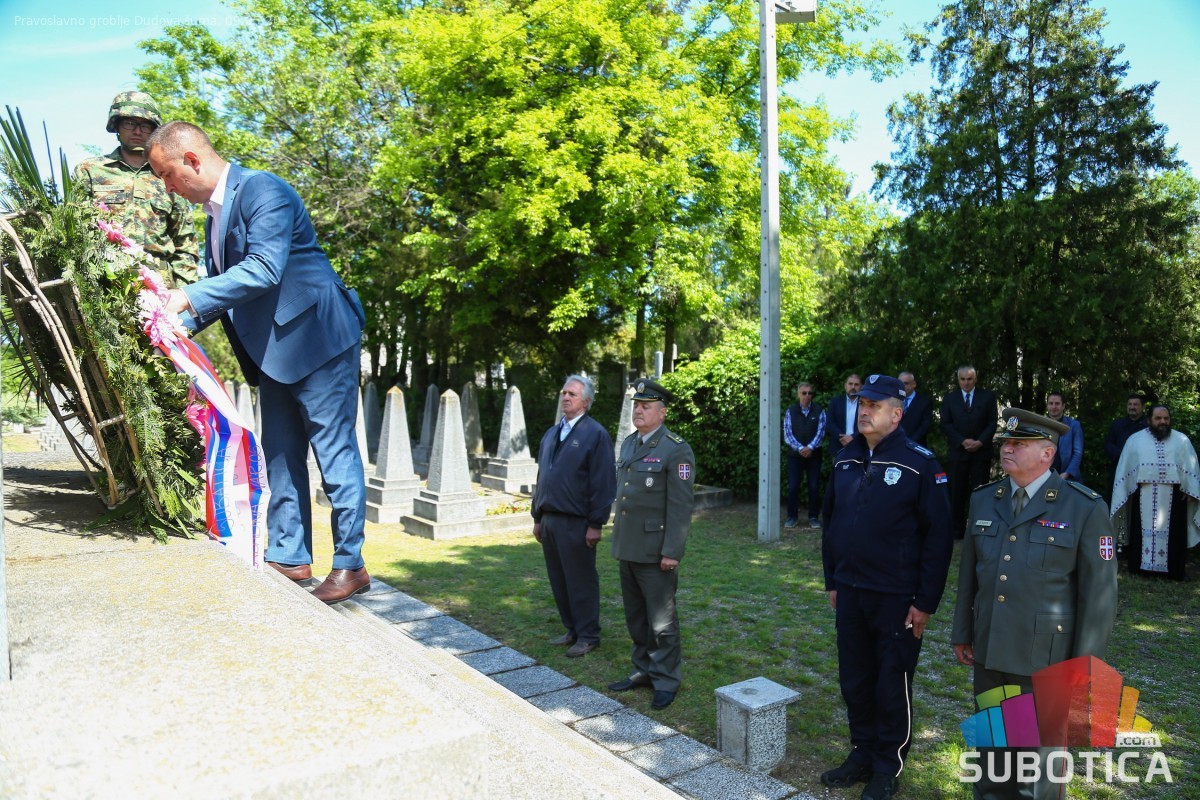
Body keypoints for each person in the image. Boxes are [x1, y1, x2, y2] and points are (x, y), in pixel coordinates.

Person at [146, 121, 369, 603]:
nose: (167, 188)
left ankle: (351, 564)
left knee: (334, 454)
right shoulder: (214, 216)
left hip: (319, 340)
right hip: (273, 352)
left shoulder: (262, 189)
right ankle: (289, 554)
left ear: (191, 160)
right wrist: (169, 328)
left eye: (166, 175)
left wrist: (186, 296)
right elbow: (226, 295)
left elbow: (264, 268)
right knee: (280, 453)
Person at [952, 408, 1118, 799]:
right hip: (991, 652)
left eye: (1018, 444)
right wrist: (963, 631)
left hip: (1046, 661)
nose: (1006, 449)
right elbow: (969, 576)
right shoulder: (985, 499)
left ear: (1047, 454)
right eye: (1005, 442)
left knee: (1035, 774)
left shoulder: (1083, 507)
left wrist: (1085, 665)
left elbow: (1099, 596)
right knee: (992, 762)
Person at [821, 374, 954, 800]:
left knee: (891, 684)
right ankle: (862, 752)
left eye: (874, 406)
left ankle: (887, 766)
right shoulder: (845, 459)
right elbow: (830, 521)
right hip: (850, 590)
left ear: (896, 414)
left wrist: (925, 601)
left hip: (897, 596)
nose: (864, 411)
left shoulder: (920, 463)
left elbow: (938, 538)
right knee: (855, 679)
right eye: (862, 403)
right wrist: (833, 579)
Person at [608, 379, 695, 711]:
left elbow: (680, 506)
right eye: (637, 405)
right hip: (629, 546)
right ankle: (643, 670)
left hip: (656, 550)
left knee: (661, 622)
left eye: (646, 406)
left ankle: (666, 679)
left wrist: (672, 550)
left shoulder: (675, 449)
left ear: (662, 413)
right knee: (637, 617)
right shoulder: (630, 443)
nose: (639, 411)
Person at [72, 92, 199, 288]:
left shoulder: (169, 174)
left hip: (159, 285)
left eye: (145, 125)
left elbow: (185, 242)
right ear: (116, 125)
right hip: (104, 281)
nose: (138, 131)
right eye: (129, 124)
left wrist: (185, 295)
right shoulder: (90, 170)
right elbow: (74, 228)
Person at [531, 375, 617, 657]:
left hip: (577, 522)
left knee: (580, 580)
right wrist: (537, 517)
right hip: (550, 519)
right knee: (559, 580)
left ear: (586, 402)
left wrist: (595, 523)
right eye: (564, 392)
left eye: (572, 394)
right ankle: (572, 629)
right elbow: (542, 476)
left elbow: (603, 482)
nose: (565, 397)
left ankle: (588, 635)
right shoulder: (551, 433)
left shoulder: (595, 434)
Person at [1110, 405, 1200, 579]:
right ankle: (1141, 568)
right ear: (1149, 420)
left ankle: (1174, 571)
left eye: (1166, 418)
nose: (1162, 422)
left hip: (1175, 497)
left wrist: (1191, 489)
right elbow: (1125, 469)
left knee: (1175, 535)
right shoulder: (1135, 440)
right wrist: (1126, 490)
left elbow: (1191, 468)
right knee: (1140, 533)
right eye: (1158, 418)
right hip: (1142, 494)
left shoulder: (1181, 440)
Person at [941, 366, 998, 536]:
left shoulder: (988, 397)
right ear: (958, 380)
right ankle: (957, 530)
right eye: (963, 379)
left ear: (975, 379)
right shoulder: (950, 399)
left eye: (969, 379)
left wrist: (980, 442)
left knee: (980, 492)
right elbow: (946, 423)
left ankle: (979, 529)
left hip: (981, 452)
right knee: (957, 492)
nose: (966, 383)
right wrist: (962, 441)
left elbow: (992, 422)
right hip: (959, 452)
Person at [783, 381, 825, 528]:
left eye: (810, 393)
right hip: (795, 456)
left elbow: (821, 432)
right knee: (793, 487)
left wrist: (810, 448)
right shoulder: (790, 411)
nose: (807, 396)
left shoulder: (819, 410)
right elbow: (787, 434)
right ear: (798, 394)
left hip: (814, 456)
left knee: (814, 487)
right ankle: (792, 517)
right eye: (804, 393)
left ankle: (813, 517)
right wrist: (801, 448)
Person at [1103, 394, 1147, 499]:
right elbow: (1108, 444)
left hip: (1142, 472)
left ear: (1143, 407)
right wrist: (1124, 455)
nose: (1132, 407)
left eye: (1135, 404)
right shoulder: (1117, 424)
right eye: (1130, 404)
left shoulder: (1148, 426)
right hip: (1119, 469)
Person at [1045, 392, 1084, 482]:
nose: (1053, 406)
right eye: (1051, 403)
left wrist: (1067, 473)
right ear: (1047, 405)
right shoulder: (1041, 424)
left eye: (1057, 403)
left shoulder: (1074, 425)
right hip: (1044, 476)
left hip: (1067, 478)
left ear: (1063, 406)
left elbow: (1077, 453)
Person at [826, 373, 863, 460]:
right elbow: (829, 423)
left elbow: (868, 423)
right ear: (845, 385)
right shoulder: (835, 402)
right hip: (838, 446)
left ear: (861, 387)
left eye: (856, 384)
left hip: (859, 446)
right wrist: (842, 437)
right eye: (850, 384)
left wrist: (853, 437)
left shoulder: (865, 404)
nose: (853, 387)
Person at [898, 371, 933, 446]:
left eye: (906, 383)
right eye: (900, 383)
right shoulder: (893, 400)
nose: (902, 386)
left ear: (914, 384)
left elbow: (925, 426)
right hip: (894, 444)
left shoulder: (924, 402)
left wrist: (909, 442)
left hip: (916, 445)